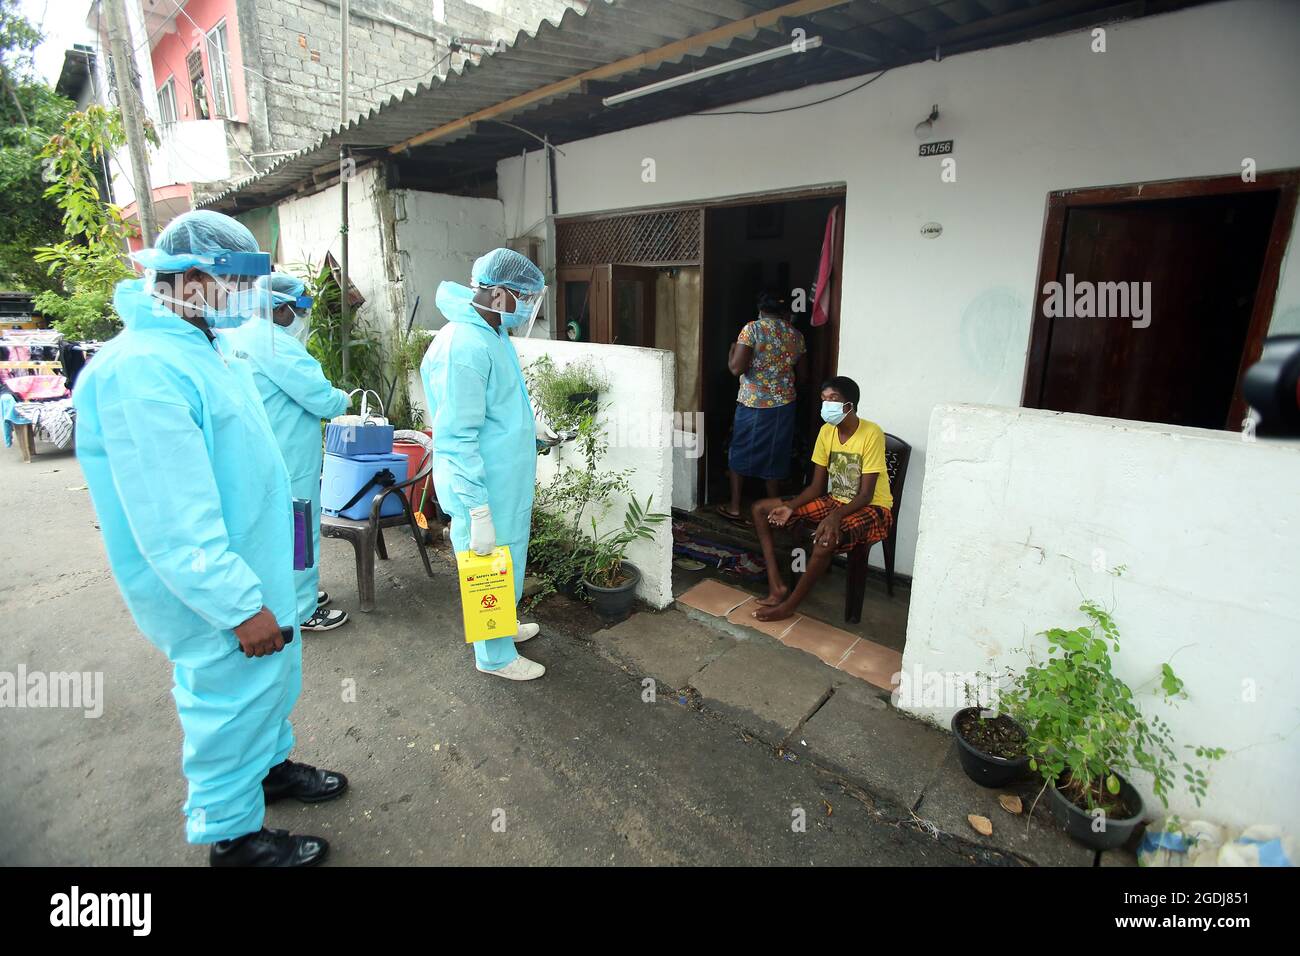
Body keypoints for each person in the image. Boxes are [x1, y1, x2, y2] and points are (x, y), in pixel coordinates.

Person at [73, 211, 346, 867]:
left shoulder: (201, 348)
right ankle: (233, 835)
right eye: (241, 285)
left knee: (271, 685)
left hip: (258, 567)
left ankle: (270, 771)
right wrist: (236, 605)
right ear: (195, 279)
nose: (250, 301)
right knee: (225, 705)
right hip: (218, 591)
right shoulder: (141, 372)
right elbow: (172, 516)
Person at [421, 248, 549, 681]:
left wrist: (533, 428)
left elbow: (497, 408)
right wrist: (475, 508)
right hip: (483, 489)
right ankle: (494, 656)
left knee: (507, 561)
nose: (529, 307)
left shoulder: (491, 334)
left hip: (505, 484)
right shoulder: (464, 345)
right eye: (524, 297)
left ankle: (504, 628)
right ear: (498, 294)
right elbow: (457, 437)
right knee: (488, 568)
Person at [220, 272, 350, 633]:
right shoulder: (278, 345)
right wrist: (346, 399)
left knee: (274, 531)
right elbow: (321, 398)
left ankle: (289, 594)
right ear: (279, 309)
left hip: (259, 453)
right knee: (298, 530)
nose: (302, 316)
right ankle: (303, 609)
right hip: (289, 457)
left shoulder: (237, 335)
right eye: (299, 308)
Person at [749, 376, 894, 622]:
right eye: (824, 399)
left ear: (850, 404)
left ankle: (789, 606)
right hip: (835, 500)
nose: (827, 405)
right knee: (760, 508)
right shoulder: (827, 432)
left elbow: (866, 494)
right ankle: (777, 586)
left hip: (872, 507)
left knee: (825, 539)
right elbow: (816, 487)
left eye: (834, 399)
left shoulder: (871, 433)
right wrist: (790, 507)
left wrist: (834, 516)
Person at [717, 290, 807, 522]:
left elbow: (736, 368)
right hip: (784, 405)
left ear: (761, 309)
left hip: (753, 403)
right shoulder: (795, 335)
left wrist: (730, 353)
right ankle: (773, 508)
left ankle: (735, 507)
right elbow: (804, 376)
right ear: (784, 311)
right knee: (776, 453)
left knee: (740, 449)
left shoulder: (753, 329)